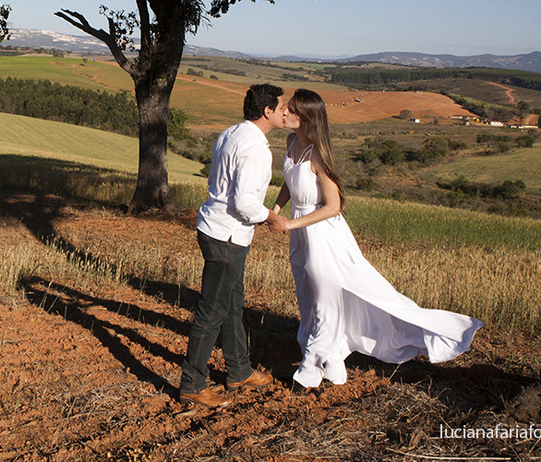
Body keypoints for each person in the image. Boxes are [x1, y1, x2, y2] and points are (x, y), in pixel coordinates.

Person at [271, 89, 483, 390]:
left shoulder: (318, 154)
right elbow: (290, 181)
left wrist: (290, 223)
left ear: (306, 117)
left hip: (323, 237)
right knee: (307, 300)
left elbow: (333, 206)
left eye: (291, 110)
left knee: (324, 303)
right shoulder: (292, 143)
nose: (285, 113)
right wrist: (276, 209)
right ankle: (333, 366)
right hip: (299, 235)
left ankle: (308, 373)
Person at [178, 83, 289, 408]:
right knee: (211, 311)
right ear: (267, 111)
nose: (285, 113)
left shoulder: (230, 133)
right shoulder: (256, 148)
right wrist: (272, 218)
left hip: (216, 229)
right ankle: (193, 385)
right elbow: (244, 203)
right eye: (281, 108)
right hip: (227, 237)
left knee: (231, 303)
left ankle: (239, 371)